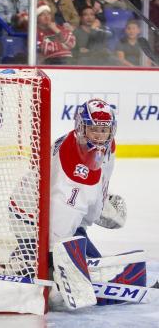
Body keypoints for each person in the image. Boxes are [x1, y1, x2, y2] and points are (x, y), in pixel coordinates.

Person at [48, 99, 144, 306]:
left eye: (105, 130)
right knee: (84, 273)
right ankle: (30, 261)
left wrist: (99, 206)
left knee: (93, 266)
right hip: (34, 219)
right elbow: (59, 226)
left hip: (63, 214)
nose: (100, 135)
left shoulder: (101, 147)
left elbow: (98, 179)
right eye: (94, 129)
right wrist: (54, 264)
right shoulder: (75, 172)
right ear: (81, 128)